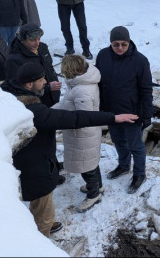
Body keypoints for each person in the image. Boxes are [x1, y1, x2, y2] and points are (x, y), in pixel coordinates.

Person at [1, 62, 138, 237]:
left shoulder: (8, 94)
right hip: (36, 168)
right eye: (41, 79)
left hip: (26, 162)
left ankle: (45, 223)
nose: (45, 82)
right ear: (29, 85)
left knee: (42, 202)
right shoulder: (34, 111)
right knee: (43, 203)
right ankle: (42, 236)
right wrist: (113, 118)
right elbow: (76, 117)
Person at [95, 26, 153, 194]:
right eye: (116, 44)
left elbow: (146, 89)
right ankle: (123, 165)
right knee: (118, 141)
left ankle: (139, 174)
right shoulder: (103, 56)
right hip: (111, 111)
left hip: (131, 112)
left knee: (135, 146)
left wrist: (147, 114)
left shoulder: (140, 61)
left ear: (129, 43)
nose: (120, 48)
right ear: (110, 43)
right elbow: (98, 82)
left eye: (123, 44)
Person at [53, 55, 103, 212]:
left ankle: (93, 194)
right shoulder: (82, 83)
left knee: (86, 166)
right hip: (85, 134)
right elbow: (67, 104)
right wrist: (48, 112)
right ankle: (98, 187)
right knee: (91, 162)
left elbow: (84, 117)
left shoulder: (82, 90)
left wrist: (62, 119)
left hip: (82, 135)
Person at [6, 23, 61, 107]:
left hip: (53, 96)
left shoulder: (43, 48)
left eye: (39, 39)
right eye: (32, 40)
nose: (37, 43)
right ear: (22, 39)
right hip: (36, 103)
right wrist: (47, 88)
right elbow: (16, 87)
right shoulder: (14, 59)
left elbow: (49, 67)